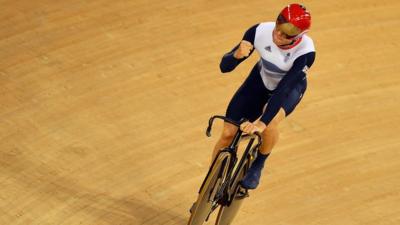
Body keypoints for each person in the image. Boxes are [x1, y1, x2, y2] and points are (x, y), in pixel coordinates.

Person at [213, 3, 316, 189]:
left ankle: (258, 164)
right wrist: (236, 55)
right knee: (228, 134)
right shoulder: (259, 30)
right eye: (278, 27)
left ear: (299, 37)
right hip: (259, 81)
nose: (279, 35)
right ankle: (210, 185)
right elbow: (224, 68)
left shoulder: (305, 53)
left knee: (269, 124)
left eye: (286, 35)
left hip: (289, 89)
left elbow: (283, 90)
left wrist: (260, 123)